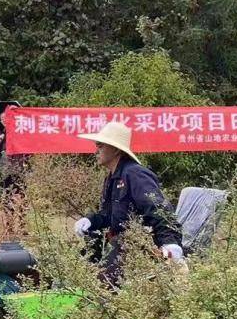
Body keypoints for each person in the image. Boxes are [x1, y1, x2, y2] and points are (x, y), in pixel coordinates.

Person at [73, 121, 183, 285]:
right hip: (119, 244)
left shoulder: (135, 174)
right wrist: (90, 220)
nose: (96, 150)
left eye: (100, 145)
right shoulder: (111, 178)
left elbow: (160, 211)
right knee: (80, 271)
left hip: (139, 245)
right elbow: (109, 215)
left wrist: (171, 244)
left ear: (116, 149)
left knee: (104, 284)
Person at [0, 129, 29, 235]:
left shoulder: (24, 134)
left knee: (23, 199)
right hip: (7, 173)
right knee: (8, 200)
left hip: (22, 171)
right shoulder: (1, 136)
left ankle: (23, 225)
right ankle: (9, 226)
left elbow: (30, 153)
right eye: (3, 119)